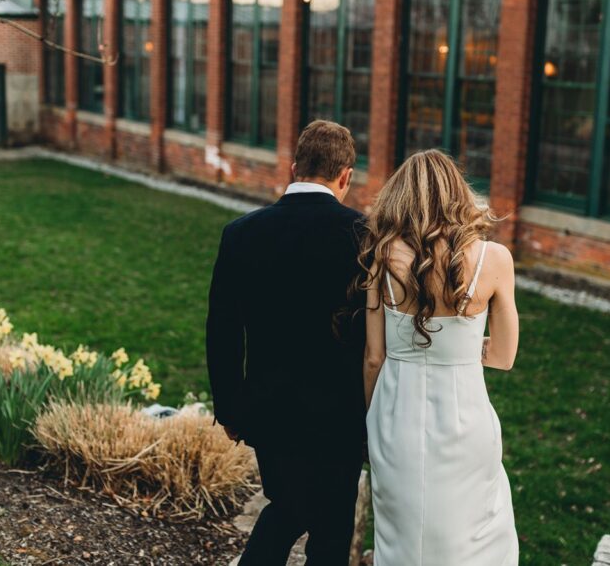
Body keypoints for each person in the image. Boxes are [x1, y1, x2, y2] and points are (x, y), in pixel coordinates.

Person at [206, 120, 366, 566]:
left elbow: (221, 329)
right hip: (341, 415)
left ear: (294, 168)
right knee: (331, 527)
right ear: (346, 176)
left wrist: (229, 408)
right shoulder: (365, 237)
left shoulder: (241, 234)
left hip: (269, 410)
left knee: (288, 506)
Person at [361, 149, 520, 566]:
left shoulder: (381, 256)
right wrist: (466, 349)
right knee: (471, 536)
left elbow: (374, 358)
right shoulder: (495, 259)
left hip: (396, 415)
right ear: (459, 194)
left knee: (401, 537)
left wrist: (370, 418)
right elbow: (504, 357)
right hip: (465, 418)